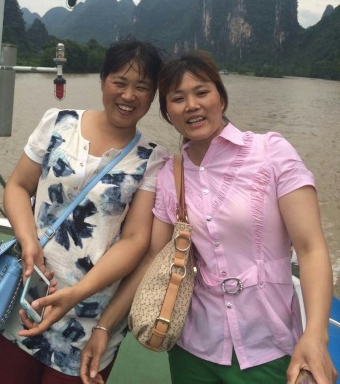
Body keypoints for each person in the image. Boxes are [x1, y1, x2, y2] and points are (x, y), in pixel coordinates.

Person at [81, 50, 338, 384]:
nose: (192, 105)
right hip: (194, 349)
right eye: (178, 98)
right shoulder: (170, 175)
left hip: (270, 345)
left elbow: (311, 248)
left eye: (201, 92)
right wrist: (105, 326)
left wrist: (315, 335)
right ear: (167, 113)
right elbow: (152, 257)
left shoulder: (271, 153)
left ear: (221, 98)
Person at [0, 38, 168, 383]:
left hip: (88, 318)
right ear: (103, 81)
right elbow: (18, 186)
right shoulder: (58, 123)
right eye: (120, 82)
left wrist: (76, 294)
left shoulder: (151, 159)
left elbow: (135, 240)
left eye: (142, 87)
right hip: (25, 295)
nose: (128, 95)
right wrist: (28, 241)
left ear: (152, 95)